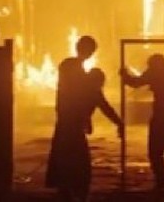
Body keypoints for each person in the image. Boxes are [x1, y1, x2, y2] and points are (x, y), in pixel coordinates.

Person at [45, 35, 123, 202]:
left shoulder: (72, 67)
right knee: (76, 160)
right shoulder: (73, 68)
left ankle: (67, 190)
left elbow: (95, 101)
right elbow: (96, 101)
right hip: (69, 123)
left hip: (68, 121)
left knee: (66, 157)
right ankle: (74, 191)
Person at [121, 53, 164, 190]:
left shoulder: (156, 73)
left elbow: (136, 83)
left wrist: (124, 75)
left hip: (162, 116)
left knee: (155, 151)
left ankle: (162, 182)